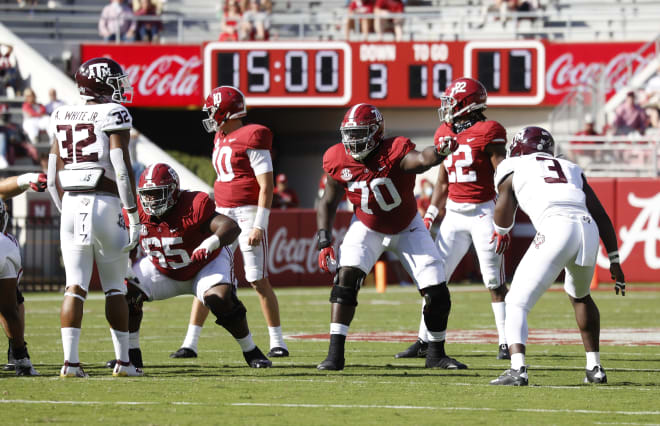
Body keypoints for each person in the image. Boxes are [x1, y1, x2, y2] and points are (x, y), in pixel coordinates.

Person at [316, 102, 466, 371]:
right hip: (366, 226)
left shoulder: (394, 149)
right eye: (350, 133)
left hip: (408, 227)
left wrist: (441, 151)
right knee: (345, 280)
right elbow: (328, 201)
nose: (353, 140)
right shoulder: (336, 157)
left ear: (376, 132)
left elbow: (422, 160)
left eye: (360, 133)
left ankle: (436, 354)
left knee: (437, 291)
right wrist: (324, 239)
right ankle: (334, 355)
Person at [489, 126, 626, 386]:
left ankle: (518, 369)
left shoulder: (513, 164)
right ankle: (594, 367)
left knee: (516, 301)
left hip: (556, 226)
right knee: (580, 295)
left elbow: (504, 203)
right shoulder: (570, 167)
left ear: (519, 147)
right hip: (587, 227)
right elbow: (601, 214)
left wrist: (501, 231)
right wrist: (615, 260)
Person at [106, 163, 272, 370]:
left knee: (220, 299)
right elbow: (125, 242)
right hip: (162, 268)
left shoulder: (193, 203)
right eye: (147, 194)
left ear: (174, 192)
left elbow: (230, 227)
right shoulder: (135, 210)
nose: (151, 200)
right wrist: (126, 263)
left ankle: (251, 350)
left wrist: (209, 243)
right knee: (123, 293)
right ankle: (131, 355)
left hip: (204, 265)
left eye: (158, 193)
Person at [170, 85, 289, 360]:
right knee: (206, 275)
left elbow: (266, 185)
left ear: (226, 110)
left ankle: (277, 341)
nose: (210, 115)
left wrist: (259, 224)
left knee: (257, 279)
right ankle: (190, 342)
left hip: (247, 213)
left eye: (213, 109)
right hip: (222, 214)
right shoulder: (220, 138)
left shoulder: (253, 136)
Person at [395, 77, 509, 361]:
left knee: (494, 280)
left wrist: (502, 219)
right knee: (435, 278)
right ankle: (424, 340)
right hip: (455, 214)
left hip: (483, 211)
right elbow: (443, 180)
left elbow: (503, 178)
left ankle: (507, 341)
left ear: (468, 105)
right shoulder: (444, 131)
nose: (446, 108)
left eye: (452, 103)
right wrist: (432, 213)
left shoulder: (489, 131)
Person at [46, 57, 142, 378]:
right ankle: (123, 363)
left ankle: (70, 363)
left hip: (72, 202)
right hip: (106, 202)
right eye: (115, 80)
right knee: (115, 286)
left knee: (74, 285)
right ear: (100, 82)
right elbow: (120, 166)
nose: (120, 86)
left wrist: (64, 207)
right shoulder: (113, 113)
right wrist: (133, 214)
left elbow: (49, 177)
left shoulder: (60, 113)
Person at [0, 172, 47, 376]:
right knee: (10, 305)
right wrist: (29, 178)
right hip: (3, 246)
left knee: (12, 303)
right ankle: (21, 358)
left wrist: (29, 179)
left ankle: (18, 356)